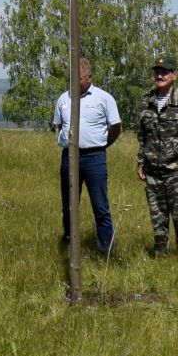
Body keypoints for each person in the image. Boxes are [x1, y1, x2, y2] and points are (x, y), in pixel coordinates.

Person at [134, 54, 178, 255]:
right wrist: (141, 162)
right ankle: (161, 259)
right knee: (158, 222)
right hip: (153, 173)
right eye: (157, 72)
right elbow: (143, 136)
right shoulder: (147, 100)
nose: (159, 75)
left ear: (174, 75)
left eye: (164, 72)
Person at [52, 58, 122, 256]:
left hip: (94, 158)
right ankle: (70, 243)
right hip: (69, 158)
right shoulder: (63, 99)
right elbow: (57, 125)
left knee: (100, 205)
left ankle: (106, 248)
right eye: (72, 79)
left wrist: (102, 144)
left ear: (89, 77)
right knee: (69, 204)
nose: (75, 83)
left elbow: (116, 127)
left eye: (79, 79)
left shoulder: (104, 98)